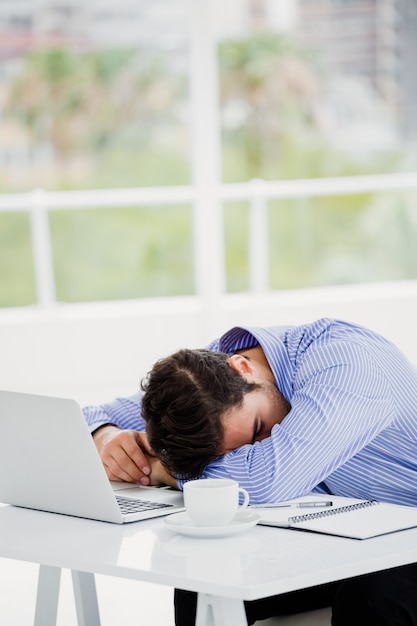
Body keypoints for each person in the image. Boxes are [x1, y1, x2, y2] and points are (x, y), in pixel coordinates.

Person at [83, 318, 417, 625]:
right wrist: (106, 436)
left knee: (375, 598)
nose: (262, 443)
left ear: (242, 367)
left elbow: (268, 478)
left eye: (257, 429)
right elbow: (87, 414)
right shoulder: (201, 380)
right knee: (204, 579)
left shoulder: (349, 365)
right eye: (233, 454)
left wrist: (162, 469)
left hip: (408, 536)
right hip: (351, 532)